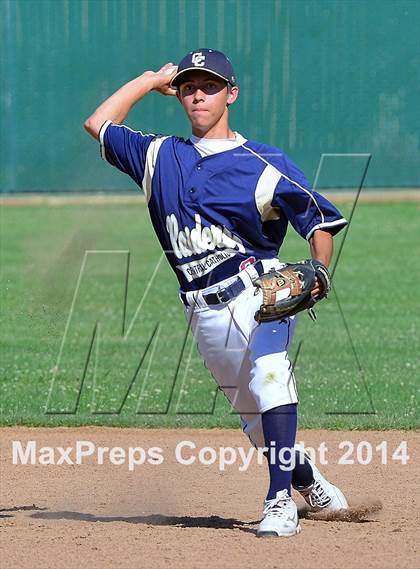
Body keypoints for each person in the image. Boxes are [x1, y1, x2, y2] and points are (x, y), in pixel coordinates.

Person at [84, 48, 349, 537]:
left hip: (258, 291)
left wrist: (317, 269)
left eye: (208, 85)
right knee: (253, 421)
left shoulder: (263, 163)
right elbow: (98, 122)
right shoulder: (159, 155)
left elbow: (321, 220)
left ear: (232, 93)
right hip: (201, 311)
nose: (197, 94)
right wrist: (149, 79)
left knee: (272, 378)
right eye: (188, 87)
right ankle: (309, 480)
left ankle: (278, 503)